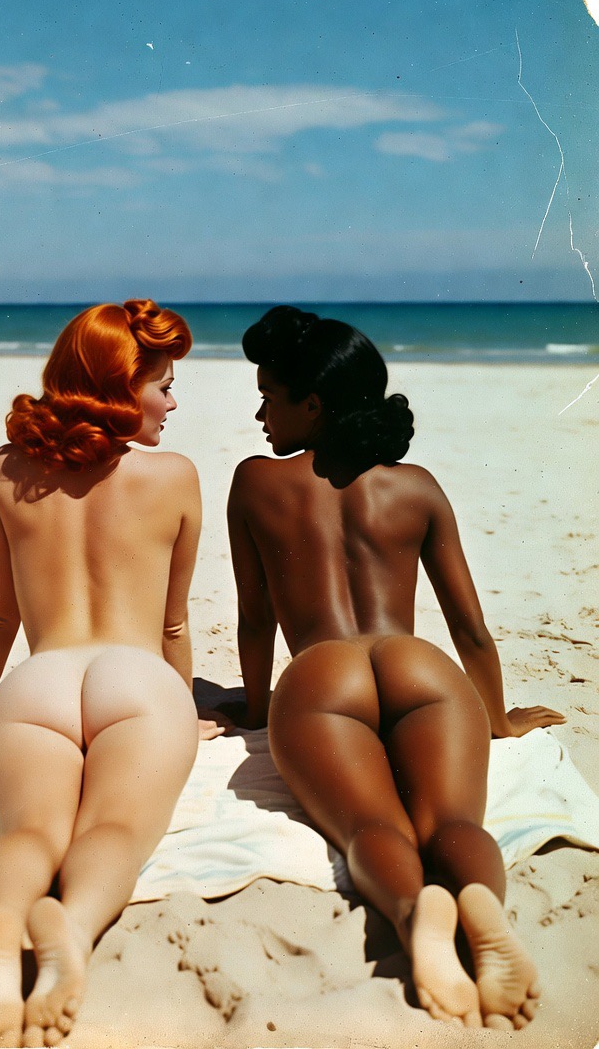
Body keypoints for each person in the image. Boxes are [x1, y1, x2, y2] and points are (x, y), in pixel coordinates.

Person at [0, 299, 216, 1048]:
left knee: (30, 830)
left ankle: (1, 925)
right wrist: (185, 712)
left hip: (38, 687)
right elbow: (172, 625)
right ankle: (74, 924)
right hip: (139, 683)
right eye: (163, 385)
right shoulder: (176, 476)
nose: (172, 403)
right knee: (116, 829)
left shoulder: (7, 469)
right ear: (121, 386)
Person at [227, 305, 565, 1032]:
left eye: (269, 397)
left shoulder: (255, 482)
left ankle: (417, 916)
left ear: (312, 405)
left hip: (324, 676)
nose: (259, 415)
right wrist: (498, 720)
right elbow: (470, 628)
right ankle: (480, 903)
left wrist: (254, 711)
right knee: (452, 821)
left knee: (372, 826)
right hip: (419, 668)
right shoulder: (416, 486)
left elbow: (255, 620)